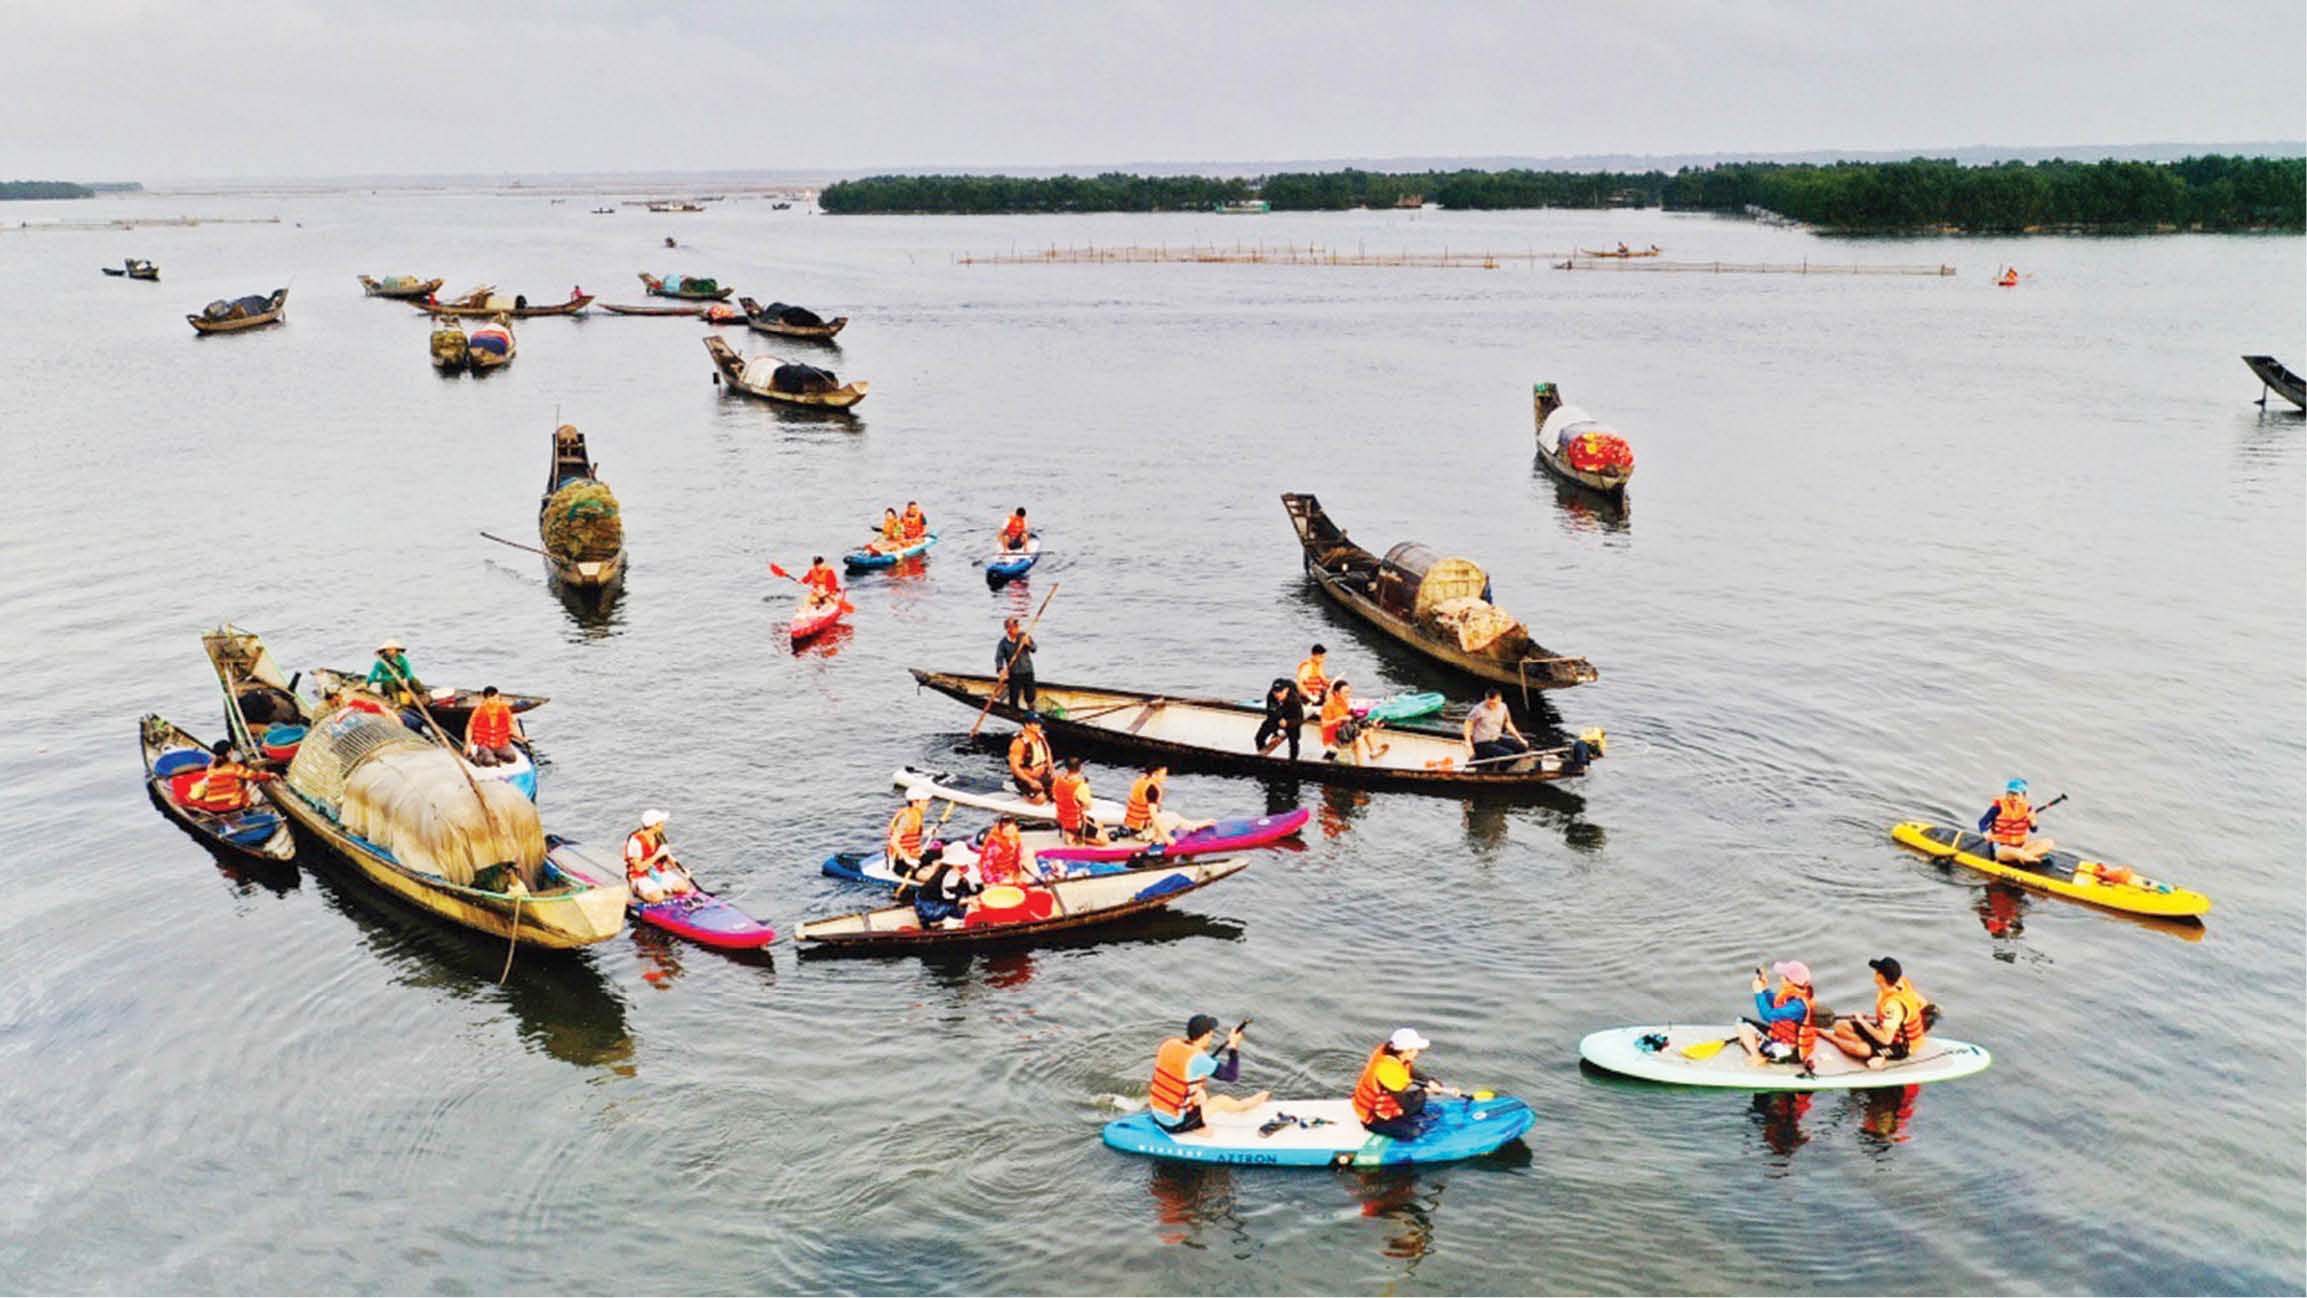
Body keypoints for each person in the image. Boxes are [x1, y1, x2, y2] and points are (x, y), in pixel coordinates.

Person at [1147, 1014, 1269, 1134]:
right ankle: (1246, 1105)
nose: (1212, 1037)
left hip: (1156, 1111)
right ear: (1205, 1036)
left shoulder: (1169, 1044)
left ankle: (1198, 1123)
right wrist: (1233, 1047)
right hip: (1173, 1123)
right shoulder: (1198, 1058)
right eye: (1210, 1034)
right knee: (1221, 1101)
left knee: (1200, 1094)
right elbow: (1232, 1075)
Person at [1352, 1027, 1460, 1141]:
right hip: (1373, 1117)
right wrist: (1426, 1091)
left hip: (1390, 1104)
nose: (1418, 1053)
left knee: (1419, 1100)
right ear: (1406, 1050)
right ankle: (1378, 1128)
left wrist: (1429, 1081)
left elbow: (1410, 1070)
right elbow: (1406, 1104)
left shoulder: (1393, 1055)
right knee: (1414, 1132)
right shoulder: (1387, 1071)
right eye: (1415, 1050)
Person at [1826, 957, 1934, 1070]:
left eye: (1877, 971)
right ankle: (1875, 1050)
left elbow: (1885, 1039)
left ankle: (1834, 1039)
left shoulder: (1893, 1005)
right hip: (1886, 1030)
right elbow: (1923, 1003)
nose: (1875, 973)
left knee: (1860, 1050)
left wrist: (1862, 1022)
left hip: (1901, 1045)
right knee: (1840, 1026)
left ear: (1881, 977)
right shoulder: (1901, 984)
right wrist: (1897, 1020)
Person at [1735, 960, 1818, 1070]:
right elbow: (1775, 1005)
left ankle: (1757, 1056)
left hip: (1790, 1051)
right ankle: (1760, 1046)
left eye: (1783, 976)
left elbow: (1768, 1016)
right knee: (1742, 1021)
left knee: (1741, 1025)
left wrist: (1758, 993)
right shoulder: (1798, 995)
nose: (1780, 978)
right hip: (1782, 1038)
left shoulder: (1797, 1006)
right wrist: (1765, 989)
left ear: (1790, 981)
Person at [624, 809, 697, 903]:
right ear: (654, 825)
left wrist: (681, 870)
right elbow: (639, 868)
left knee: (683, 887)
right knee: (657, 897)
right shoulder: (636, 841)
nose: (663, 824)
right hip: (640, 876)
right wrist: (657, 854)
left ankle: (659, 887)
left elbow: (667, 857)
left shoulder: (659, 836)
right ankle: (637, 890)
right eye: (661, 822)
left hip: (658, 872)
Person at [901, 845, 980, 927]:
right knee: (958, 904)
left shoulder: (948, 869)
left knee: (962, 893)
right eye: (962, 868)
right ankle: (951, 922)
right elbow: (950, 900)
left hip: (928, 899)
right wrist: (969, 900)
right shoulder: (948, 878)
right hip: (929, 908)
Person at [1981, 778, 2054, 864]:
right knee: (2017, 853)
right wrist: (1985, 833)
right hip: (2001, 849)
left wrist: (2033, 821)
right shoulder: (1998, 807)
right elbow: (1982, 822)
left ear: (2023, 796)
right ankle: (2036, 860)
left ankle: (2024, 857)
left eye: (2016, 794)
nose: (2013, 797)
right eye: (2010, 794)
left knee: (2049, 842)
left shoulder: (2027, 808)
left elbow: (2034, 830)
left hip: (2021, 847)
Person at [185, 740, 272, 811]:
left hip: (213, 807)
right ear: (229, 752)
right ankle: (247, 806)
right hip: (232, 806)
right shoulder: (234, 767)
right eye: (232, 750)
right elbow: (254, 776)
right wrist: (271, 775)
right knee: (243, 782)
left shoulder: (210, 767)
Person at [1321, 680, 1389, 765]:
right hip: (1334, 738)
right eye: (1345, 692)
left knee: (1368, 728)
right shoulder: (1328, 706)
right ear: (1337, 693)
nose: (1348, 695)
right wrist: (1339, 719)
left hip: (1344, 733)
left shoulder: (1345, 702)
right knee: (1359, 740)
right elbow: (1324, 724)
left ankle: (1374, 751)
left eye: (1349, 692)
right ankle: (1360, 766)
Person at [1462, 688, 1531, 764]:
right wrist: (1468, 743)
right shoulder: (1478, 709)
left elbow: (1508, 723)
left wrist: (1520, 739)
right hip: (1482, 742)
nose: (1491, 706)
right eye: (1489, 703)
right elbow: (1468, 724)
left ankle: (1506, 767)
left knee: (1522, 748)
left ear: (1499, 700)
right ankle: (1499, 770)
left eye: (1494, 704)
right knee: (1508, 754)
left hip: (1496, 739)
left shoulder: (1503, 707)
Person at [464, 685, 525, 767]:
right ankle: (481, 756)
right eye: (491, 699)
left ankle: (498, 757)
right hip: (484, 744)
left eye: (496, 698)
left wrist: (521, 738)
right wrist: (468, 745)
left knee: (511, 757)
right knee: (489, 761)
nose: (494, 701)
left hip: (501, 743)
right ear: (486, 699)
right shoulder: (479, 710)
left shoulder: (504, 709)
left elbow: (511, 726)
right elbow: (470, 727)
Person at [1052, 757, 1106, 845]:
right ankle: (1076, 836)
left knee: (1100, 824)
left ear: (1066, 767)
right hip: (1076, 824)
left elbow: (1056, 796)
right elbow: (1088, 807)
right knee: (1104, 841)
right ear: (1080, 768)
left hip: (1062, 819)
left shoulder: (1057, 781)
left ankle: (1069, 832)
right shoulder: (1081, 786)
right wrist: (1087, 789)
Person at [1254, 676, 1304, 761]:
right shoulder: (1271, 696)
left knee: (1294, 739)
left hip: (1291, 716)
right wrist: (1275, 733)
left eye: (1280, 692)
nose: (1277, 695)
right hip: (1277, 715)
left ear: (1286, 690)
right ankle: (1262, 757)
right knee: (1259, 737)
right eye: (1275, 692)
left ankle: (1293, 760)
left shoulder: (1294, 700)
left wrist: (1288, 723)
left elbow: (1299, 719)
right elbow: (1270, 713)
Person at [1123, 764, 1175, 844]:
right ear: (1154, 775)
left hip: (1132, 826)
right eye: (1163, 775)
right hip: (1142, 830)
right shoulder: (1152, 789)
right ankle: (1156, 837)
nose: (1166, 777)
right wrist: (1167, 838)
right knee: (1175, 818)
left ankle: (1194, 825)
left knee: (1173, 817)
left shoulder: (1143, 780)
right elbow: (1154, 817)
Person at [364, 638, 424, 706]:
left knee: (414, 680)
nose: (390, 651)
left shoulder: (402, 660)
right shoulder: (380, 662)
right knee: (390, 684)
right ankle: (396, 702)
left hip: (401, 682)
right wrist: (367, 683)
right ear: (385, 651)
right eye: (388, 650)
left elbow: (408, 672)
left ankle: (421, 697)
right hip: (388, 683)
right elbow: (373, 675)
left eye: (392, 649)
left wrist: (407, 679)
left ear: (396, 650)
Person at [994, 616, 1037, 711]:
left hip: (1028, 672)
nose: (1018, 627)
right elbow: (998, 658)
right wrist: (1000, 670)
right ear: (1008, 629)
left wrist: (1028, 644)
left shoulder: (1024, 636)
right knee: (1013, 699)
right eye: (1015, 626)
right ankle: (1014, 714)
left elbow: (1034, 649)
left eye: (1017, 625)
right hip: (1014, 674)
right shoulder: (1003, 643)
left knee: (1030, 697)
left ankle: (1032, 713)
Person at [975, 816, 1031, 885]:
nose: (1011, 833)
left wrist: (1018, 867)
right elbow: (986, 865)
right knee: (1007, 883)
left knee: (1029, 852)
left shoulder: (1014, 836)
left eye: (1012, 830)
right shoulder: (994, 844)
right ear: (1001, 830)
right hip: (999, 871)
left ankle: (1017, 876)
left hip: (1011, 865)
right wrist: (992, 880)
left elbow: (1018, 850)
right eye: (1007, 831)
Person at [1008, 718, 1054, 801]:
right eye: (1036, 724)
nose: (1039, 726)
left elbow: (1048, 752)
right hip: (1027, 778)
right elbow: (1014, 767)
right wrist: (1030, 781)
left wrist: (1052, 771)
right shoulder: (1018, 743)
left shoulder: (1041, 736)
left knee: (1057, 791)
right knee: (1040, 799)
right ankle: (1026, 796)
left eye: (1039, 724)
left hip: (1043, 774)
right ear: (1027, 725)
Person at [885, 793, 931, 875]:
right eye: (925, 801)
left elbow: (911, 834)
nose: (928, 803)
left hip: (914, 853)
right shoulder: (905, 818)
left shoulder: (917, 813)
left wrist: (928, 832)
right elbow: (893, 841)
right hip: (901, 859)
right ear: (915, 802)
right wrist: (907, 859)